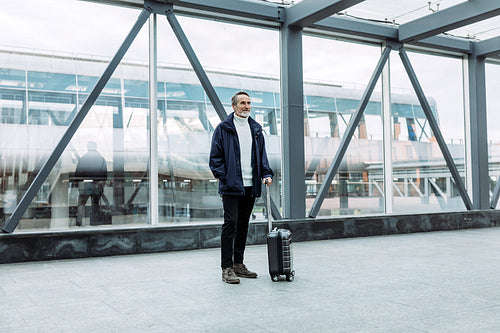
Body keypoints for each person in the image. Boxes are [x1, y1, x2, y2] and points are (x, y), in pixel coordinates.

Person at [209, 91, 274, 284]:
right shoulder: (223, 128)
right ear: (234, 106)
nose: (246, 106)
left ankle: (239, 264)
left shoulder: (255, 128)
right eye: (242, 103)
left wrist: (266, 173)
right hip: (231, 186)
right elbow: (215, 158)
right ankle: (226, 268)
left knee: (243, 225)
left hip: (250, 185)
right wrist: (226, 178)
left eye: (249, 103)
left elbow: (262, 155)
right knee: (231, 224)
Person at [74, 141, 107, 226]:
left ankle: (79, 222)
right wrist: (100, 184)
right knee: (95, 204)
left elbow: (78, 174)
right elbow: (104, 175)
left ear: (88, 147)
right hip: (97, 185)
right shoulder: (101, 158)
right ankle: (95, 222)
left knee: (81, 203)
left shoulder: (83, 158)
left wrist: (78, 184)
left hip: (85, 185)